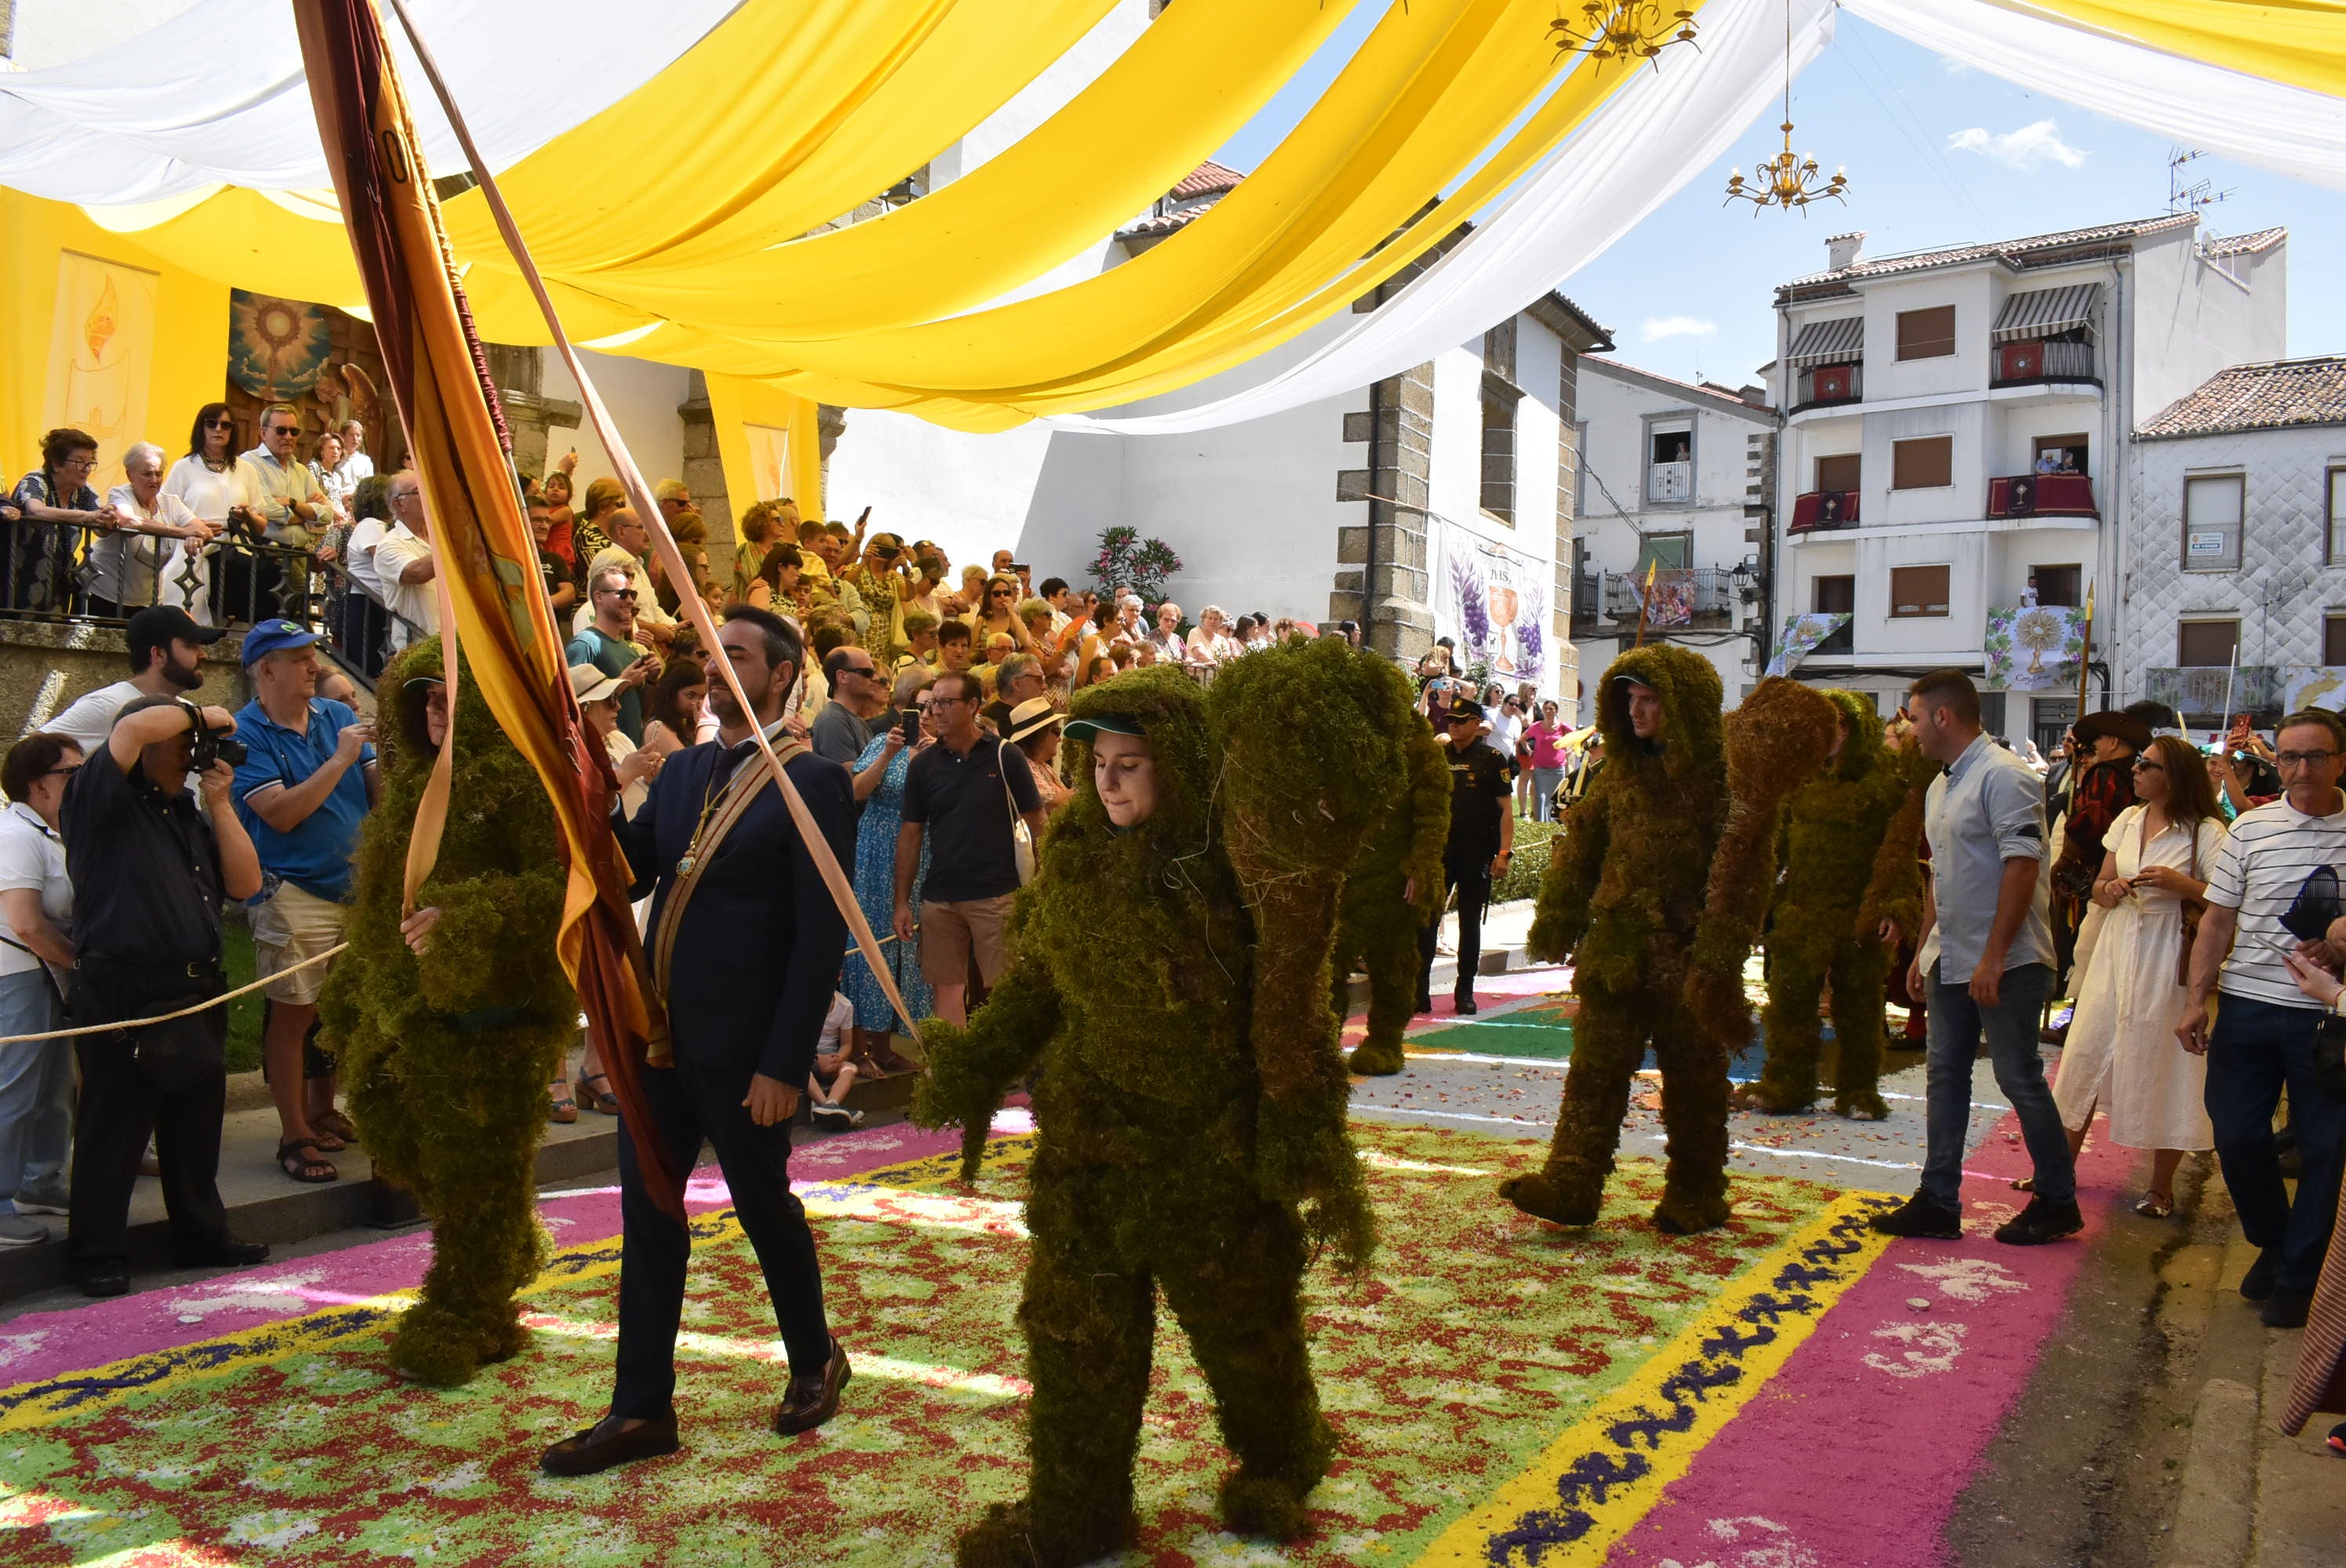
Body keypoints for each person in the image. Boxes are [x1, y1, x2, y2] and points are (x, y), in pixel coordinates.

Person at [542, 606, 855, 1476]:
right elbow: (632, 867)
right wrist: (584, 807)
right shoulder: (680, 774)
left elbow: (817, 932)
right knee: (648, 1215)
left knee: (763, 1208)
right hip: (659, 1039)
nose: (718, 673)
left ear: (783, 675)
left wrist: (783, 1063)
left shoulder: (813, 780)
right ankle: (641, 1407)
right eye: (712, 661)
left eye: (739, 658)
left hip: (747, 1049)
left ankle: (814, 1358)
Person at [319, 640, 577, 1383]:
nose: (435, 710)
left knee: (477, 1173)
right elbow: (380, 900)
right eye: (425, 697)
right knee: (403, 1139)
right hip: (410, 1011)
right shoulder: (410, 786)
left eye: (450, 697)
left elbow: (566, 885)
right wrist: (356, 977)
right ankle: (503, 1251)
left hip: (493, 1015)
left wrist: (464, 913)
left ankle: (471, 1310)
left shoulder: (516, 783)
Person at [60, 693, 269, 1297]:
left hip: (194, 987)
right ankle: (97, 1253)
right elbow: (134, 725)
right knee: (114, 1127)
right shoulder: (101, 797)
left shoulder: (186, 811)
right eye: (182, 743)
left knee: (195, 1123)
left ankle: (201, 1235)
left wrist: (222, 803)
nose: (191, 754)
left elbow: (246, 883)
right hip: (125, 987)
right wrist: (203, 714)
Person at [1875, 670, 2079, 1246]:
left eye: (1913, 718)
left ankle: (2058, 1200)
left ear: (1943, 716)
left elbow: (2022, 867)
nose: (1909, 730)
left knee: (2019, 1077)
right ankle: (1938, 1200)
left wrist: (1993, 959)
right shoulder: (1941, 785)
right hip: (1951, 954)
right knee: (1944, 1078)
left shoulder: (2005, 776)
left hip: (2007, 959)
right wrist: (1924, 949)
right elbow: (1940, 873)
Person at [2181, 708, 2346, 1328]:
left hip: (2328, 1017)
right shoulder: (2249, 830)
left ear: (2340, 762)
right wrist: (2197, 1000)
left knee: (2326, 1149)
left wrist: (2341, 945)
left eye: (2316, 757)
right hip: (2248, 1007)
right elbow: (2216, 921)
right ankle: (2277, 1248)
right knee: (2238, 1136)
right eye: (2291, 758)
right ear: (2276, 763)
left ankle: (2299, 1278)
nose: (2302, 769)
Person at [2048, 734, 2224, 1217]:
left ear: (2175, 777)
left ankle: (2161, 1187)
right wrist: (2111, 888)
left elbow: (2226, 901)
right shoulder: (2128, 819)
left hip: (2171, 954)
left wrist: (2181, 884)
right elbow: (2102, 884)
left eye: (2147, 765)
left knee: (2167, 1064)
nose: (2136, 770)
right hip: (2119, 944)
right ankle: (2058, 1170)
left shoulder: (2206, 831)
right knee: (2086, 1051)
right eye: (2139, 762)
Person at [232, 619, 380, 1184]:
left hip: (353, 887)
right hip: (292, 891)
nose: (313, 665)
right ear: (265, 669)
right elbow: (283, 813)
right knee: (294, 1014)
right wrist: (341, 760)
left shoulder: (337, 716)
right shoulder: (249, 734)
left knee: (338, 1012)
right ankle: (294, 1135)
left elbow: (377, 795)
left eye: (312, 654)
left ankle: (324, 1109)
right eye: (298, 658)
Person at [894, 670, 1047, 1029]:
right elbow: (910, 834)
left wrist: (1044, 885)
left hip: (997, 893)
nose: (936, 712)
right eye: (932, 704)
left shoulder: (1004, 756)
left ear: (973, 706)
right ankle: (954, 1074)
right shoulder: (923, 765)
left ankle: (1010, 1079)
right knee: (946, 990)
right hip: (940, 896)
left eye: (946, 703)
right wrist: (902, 901)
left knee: (1006, 991)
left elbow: (1038, 823)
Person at [0, 733, 80, 1244]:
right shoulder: (17, 835)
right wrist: (85, 965)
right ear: (38, 785)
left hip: (47, 973)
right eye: (72, 772)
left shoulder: (55, 831)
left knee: (53, 1086)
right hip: (19, 975)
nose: (82, 779)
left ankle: (41, 1182)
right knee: (15, 1089)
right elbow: (26, 923)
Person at [843, 672, 934, 1080]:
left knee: (908, 948)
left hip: (923, 856)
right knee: (869, 945)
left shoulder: (945, 754)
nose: (929, 715)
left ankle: (890, 1044)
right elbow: (857, 793)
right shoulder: (884, 743)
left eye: (937, 707)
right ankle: (861, 1049)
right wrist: (888, 755)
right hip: (877, 852)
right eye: (923, 707)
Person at [1418, 695, 1512, 1017]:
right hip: (1440, 850)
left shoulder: (1492, 758)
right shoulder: (1438, 755)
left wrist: (1504, 853)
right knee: (1427, 920)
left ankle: (1464, 991)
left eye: (1460, 721)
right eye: (1450, 721)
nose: (1454, 726)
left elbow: (1506, 812)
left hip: (1476, 851)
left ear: (1476, 723)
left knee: (1470, 922)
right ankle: (1420, 990)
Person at [46, 605, 227, 758]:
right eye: (191, 646)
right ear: (158, 654)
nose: (203, 654)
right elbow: (27, 756)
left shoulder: (189, 709)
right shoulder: (108, 704)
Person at [2050, 710, 2149, 982]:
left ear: (2114, 742)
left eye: (2100, 740)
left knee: (2089, 942)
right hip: (2126, 870)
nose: (2094, 747)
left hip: (2097, 869)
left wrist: (2070, 846)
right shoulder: (2132, 773)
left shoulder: (2104, 773)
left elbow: (2093, 823)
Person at [161, 404, 260, 623]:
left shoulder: (246, 470)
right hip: (193, 546)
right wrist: (192, 528)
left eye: (225, 425)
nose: (218, 429)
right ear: (201, 427)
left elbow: (262, 525)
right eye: (211, 423)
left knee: (234, 615)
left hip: (234, 549)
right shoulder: (184, 467)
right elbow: (163, 512)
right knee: (179, 602)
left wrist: (246, 516)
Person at [86, 442, 207, 619]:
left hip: (148, 599)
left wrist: (194, 536)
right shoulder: (120, 495)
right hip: (105, 593)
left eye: (159, 474)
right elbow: (128, 521)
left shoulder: (171, 502)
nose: (154, 480)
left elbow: (203, 530)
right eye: (147, 474)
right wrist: (182, 533)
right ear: (130, 474)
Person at [241, 404, 329, 618]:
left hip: (299, 553)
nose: (288, 436)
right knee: (282, 617)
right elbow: (267, 509)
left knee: (294, 616)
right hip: (268, 555)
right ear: (263, 432)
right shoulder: (249, 463)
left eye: (294, 431)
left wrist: (292, 503)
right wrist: (307, 516)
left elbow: (327, 514)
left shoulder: (300, 470)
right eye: (281, 430)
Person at [9, 426, 107, 613]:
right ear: (56, 463)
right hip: (20, 581)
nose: (87, 469)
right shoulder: (35, 481)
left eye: (90, 463)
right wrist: (88, 516)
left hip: (58, 586)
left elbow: (100, 529)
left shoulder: (84, 491)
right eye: (79, 462)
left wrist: (109, 517)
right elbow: (36, 511)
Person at [566, 566, 659, 746]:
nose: (630, 601)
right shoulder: (585, 644)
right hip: (603, 753)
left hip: (628, 750)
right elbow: (572, 706)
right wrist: (623, 682)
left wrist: (652, 681)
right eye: (623, 594)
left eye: (633, 594)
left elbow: (642, 710)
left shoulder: (630, 649)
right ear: (599, 597)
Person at [372, 471, 439, 650]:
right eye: (418, 491)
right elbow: (417, 573)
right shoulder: (389, 545)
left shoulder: (439, 538)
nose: (427, 495)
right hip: (419, 650)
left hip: (458, 644)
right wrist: (454, 543)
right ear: (398, 503)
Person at [810, 645, 886, 769]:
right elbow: (851, 784)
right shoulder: (833, 721)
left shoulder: (856, 721)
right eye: (867, 673)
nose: (876, 678)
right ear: (842, 677)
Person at [806, 991, 863, 1129]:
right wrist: (818, 1059)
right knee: (800, 1068)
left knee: (850, 1068)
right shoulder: (803, 1002)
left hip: (830, 1060)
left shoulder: (845, 1005)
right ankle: (825, 1105)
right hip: (807, 1058)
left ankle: (831, 1103)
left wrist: (837, 1059)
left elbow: (846, 1044)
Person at [1007, 697, 1070, 812]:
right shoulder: (1025, 767)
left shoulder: (1044, 767)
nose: (1059, 739)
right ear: (1040, 735)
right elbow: (1053, 804)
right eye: (1056, 731)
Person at [528, 492, 581, 619]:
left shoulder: (554, 559)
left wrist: (541, 604)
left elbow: (569, 593)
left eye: (547, 521)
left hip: (546, 629)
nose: (545, 526)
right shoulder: (508, 556)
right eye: (537, 520)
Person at [641, 658, 709, 755]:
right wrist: (703, 729)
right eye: (690, 696)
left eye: (702, 696)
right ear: (671, 694)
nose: (696, 703)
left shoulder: (684, 724)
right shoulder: (657, 727)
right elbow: (689, 766)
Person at [980, 653, 1046, 736]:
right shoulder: (989, 724)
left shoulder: (1029, 716)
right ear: (1017, 684)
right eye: (1039, 680)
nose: (1045, 686)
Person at [1526, 699, 1569, 822]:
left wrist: (1569, 752)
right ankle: (1541, 822)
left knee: (1556, 796)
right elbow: (1523, 739)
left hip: (1557, 769)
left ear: (1556, 711)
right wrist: (1529, 750)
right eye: (1545, 709)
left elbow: (1576, 736)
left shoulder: (1562, 726)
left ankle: (1555, 820)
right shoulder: (1537, 726)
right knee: (1541, 796)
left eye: (1551, 709)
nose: (1548, 711)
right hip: (1540, 768)